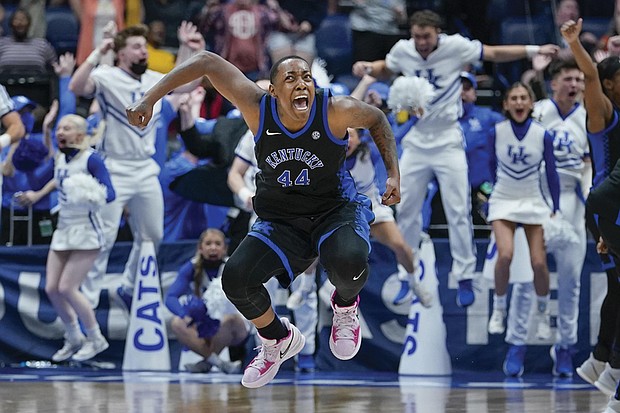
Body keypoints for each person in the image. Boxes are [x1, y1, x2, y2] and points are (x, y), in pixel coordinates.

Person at [126, 52, 400, 388]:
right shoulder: (256, 108)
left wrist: (393, 175)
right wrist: (149, 98)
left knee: (349, 260)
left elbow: (376, 119)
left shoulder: (334, 109)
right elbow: (207, 63)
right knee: (236, 279)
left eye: (306, 78)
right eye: (291, 79)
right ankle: (276, 339)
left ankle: (345, 307)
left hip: (335, 210)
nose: (301, 84)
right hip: (281, 217)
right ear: (272, 91)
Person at [352, 9, 560, 308]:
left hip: (448, 139)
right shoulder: (404, 50)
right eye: (417, 36)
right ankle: (406, 276)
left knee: (458, 209)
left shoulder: (456, 47)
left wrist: (533, 49)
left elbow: (493, 52)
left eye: (426, 36)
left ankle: (464, 275)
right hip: (417, 139)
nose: (421, 42)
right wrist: (369, 66)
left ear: (438, 33)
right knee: (406, 209)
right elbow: (388, 66)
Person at [69, 23, 201, 309]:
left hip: (145, 169)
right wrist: (97, 52)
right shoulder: (106, 76)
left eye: (144, 46)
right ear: (121, 53)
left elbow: (186, 83)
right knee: (102, 240)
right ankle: (87, 304)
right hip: (113, 169)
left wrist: (193, 49)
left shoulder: (153, 78)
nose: (144, 51)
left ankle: (129, 287)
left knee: (153, 235)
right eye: (137, 47)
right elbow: (76, 86)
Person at [502, 59, 590, 378]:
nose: (575, 85)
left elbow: (591, 162)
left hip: (573, 199)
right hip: (536, 198)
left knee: (571, 280)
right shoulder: (537, 110)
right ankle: (516, 345)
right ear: (554, 83)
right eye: (569, 79)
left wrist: (591, 196)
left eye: (580, 80)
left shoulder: (589, 115)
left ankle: (565, 347)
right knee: (527, 277)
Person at [16, 114, 116, 362]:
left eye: (67, 128)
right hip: (63, 228)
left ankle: (95, 337)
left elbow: (110, 194)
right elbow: (58, 180)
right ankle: (73, 337)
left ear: (80, 134)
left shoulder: (92, 159)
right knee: (51, 288)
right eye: (59, 128)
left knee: (67, 288)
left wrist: (87, 194)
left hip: (87, 231)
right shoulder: (61, 157)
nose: (61, 132)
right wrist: (37, 195)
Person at [561, 18, 620, 401]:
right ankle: (609, 371)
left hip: (609, 213)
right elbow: (590, 76)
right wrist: (574, 43)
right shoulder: (601, 113)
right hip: (607, 208)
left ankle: (604, 365)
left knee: (617, 288)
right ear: (612, 83)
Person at [485, 82, 560, 346]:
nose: (518, 103)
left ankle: (542, 314)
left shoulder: (543, 134)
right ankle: (499, 307)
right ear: (506, 104)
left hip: (532, 199)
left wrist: (556, 206)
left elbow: (551, 173)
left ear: (531, 103)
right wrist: (491, 194)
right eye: (513, 98)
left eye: (523, 98)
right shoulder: (496, 131)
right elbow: (490, 167)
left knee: (539, 263)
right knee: (505, 255)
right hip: (504, 198)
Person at [165, 228, 250, 374]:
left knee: (230, 319)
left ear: (225, 249)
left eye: (217, 244)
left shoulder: (233, 266)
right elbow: (170, 298)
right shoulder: (190, 268)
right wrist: (185, 314)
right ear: (200, 248)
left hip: (233, 326)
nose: (213, 248)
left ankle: (206, 363)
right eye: (208, 243)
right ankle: (217, 362)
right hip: (205, 325)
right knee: (177, 322)